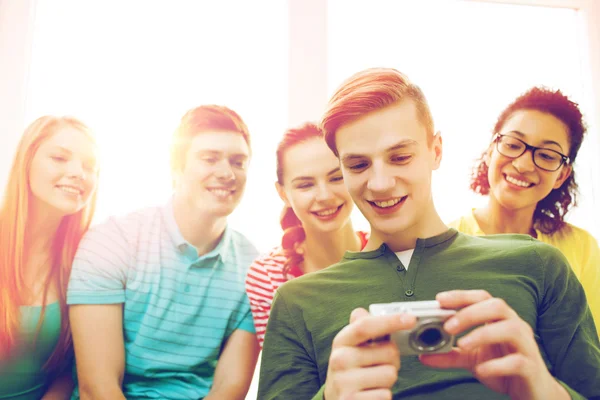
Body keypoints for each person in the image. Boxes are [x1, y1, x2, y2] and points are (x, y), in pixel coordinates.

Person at [258, 68, 600, 400]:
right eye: (358, 165)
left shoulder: (537, 263)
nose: (379, 183)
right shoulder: (295, 302)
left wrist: (547, 392)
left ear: (435, 150)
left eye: (400, 156)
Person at [67, 105, 260, 399]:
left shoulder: (253, 267)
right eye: (209, 159)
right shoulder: (111, 241)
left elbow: (228, 390)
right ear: (176, 168)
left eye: (238, 162)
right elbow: (98, 388)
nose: (226, 173)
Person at [449, 87, 600, 330]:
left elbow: (592, 351)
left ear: (561, 175)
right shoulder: (444, 242)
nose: (523, 164)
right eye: (512, 144)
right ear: (490, 151)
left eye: (547, 155)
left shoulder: (582, 248)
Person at [0, 116, 99, 399]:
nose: (79, 173)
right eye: (59, 158)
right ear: (26, 161)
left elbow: (69, 371)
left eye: (90, 167)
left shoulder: (88, 259)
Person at [245, 122, 368, 347]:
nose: (324, 196)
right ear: (283, 194)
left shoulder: (393, 252)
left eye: (336, 177)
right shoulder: (269, 275)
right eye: (305, 185)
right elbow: (288, 374)